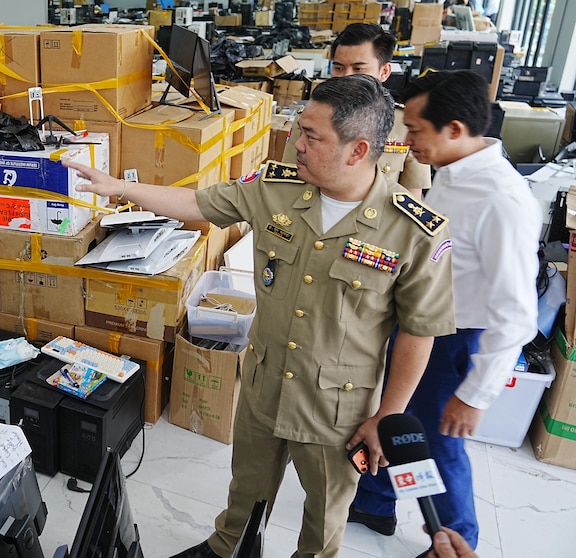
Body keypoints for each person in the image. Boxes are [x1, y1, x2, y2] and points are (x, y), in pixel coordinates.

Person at [62, 74, 456, 558]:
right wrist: (119, 186)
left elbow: (419, 332)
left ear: (357, 151)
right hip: (264, 384)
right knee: (247, 488)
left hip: (336, 410)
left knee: (325, 515)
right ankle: (226, 549)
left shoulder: (413, 230)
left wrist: (387, 415)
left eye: (311, 136)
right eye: (299, 129)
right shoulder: (275, 188)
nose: (296, 143)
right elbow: (197, 203)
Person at [349, 70, 541, 555]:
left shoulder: (502, 200)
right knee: (391, 415)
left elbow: (517, 315)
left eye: (415, 130)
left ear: (454, 129)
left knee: (438, 443)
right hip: (422, 323)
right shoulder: (455, 171)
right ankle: (374, 502)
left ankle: (457, 541)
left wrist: (475, 395)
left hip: (456, 340)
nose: (407, 140)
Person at [281, 23, 431, 197]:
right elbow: (288, 180)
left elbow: (411, 196)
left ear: (384, 71)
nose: (346, 77)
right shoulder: (308, 119)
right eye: (338, 68)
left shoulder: (407, 125)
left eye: (358, 69)